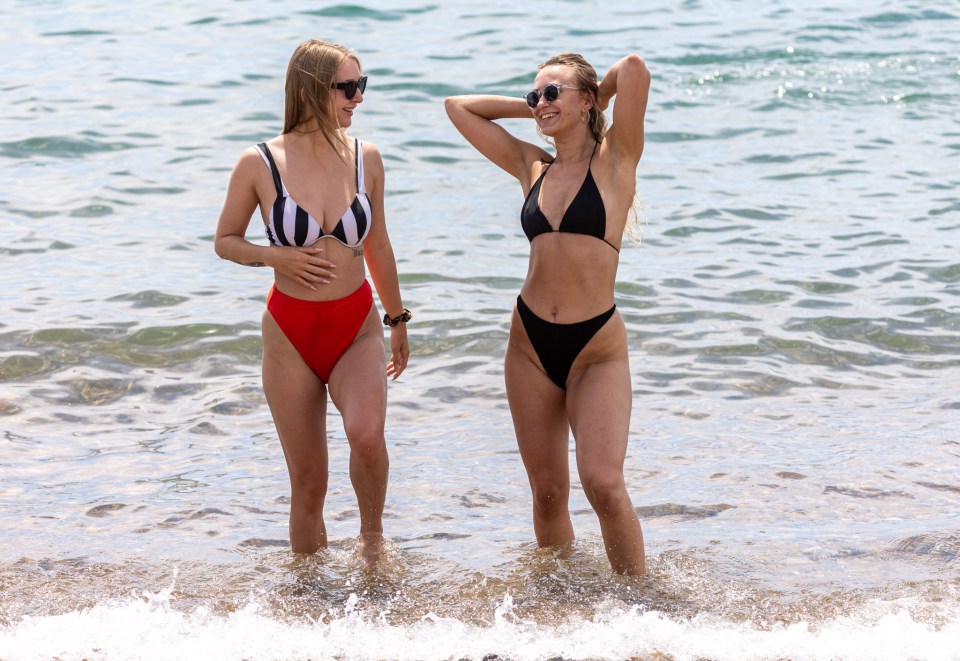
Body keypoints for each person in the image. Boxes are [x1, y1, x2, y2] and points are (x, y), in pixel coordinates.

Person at [445, 53, 650, 575]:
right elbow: (458, 107)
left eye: (552, 93)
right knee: (548, 494)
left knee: (603, 484)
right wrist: (538, 108)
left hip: (595, 348)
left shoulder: (616, 160)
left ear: (587, 101)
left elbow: (633, 69)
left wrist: (591, 98)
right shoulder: (531, 165)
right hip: (529, 345)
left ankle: (642, 609)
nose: (540, 103)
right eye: (534, 95)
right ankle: (559, 611)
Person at [214, 39, 410, 562]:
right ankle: (307, 600)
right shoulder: (259, 163)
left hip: (356, 324)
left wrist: (397, 318)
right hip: (290, 333)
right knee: (308, 482)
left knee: (366, 437)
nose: (358, 98)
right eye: (348, 87)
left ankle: (372, 545)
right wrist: (276, 257)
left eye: (361, 86)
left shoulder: (366, 158)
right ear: (310, 89)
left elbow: (379, 244)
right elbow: (226, 241)